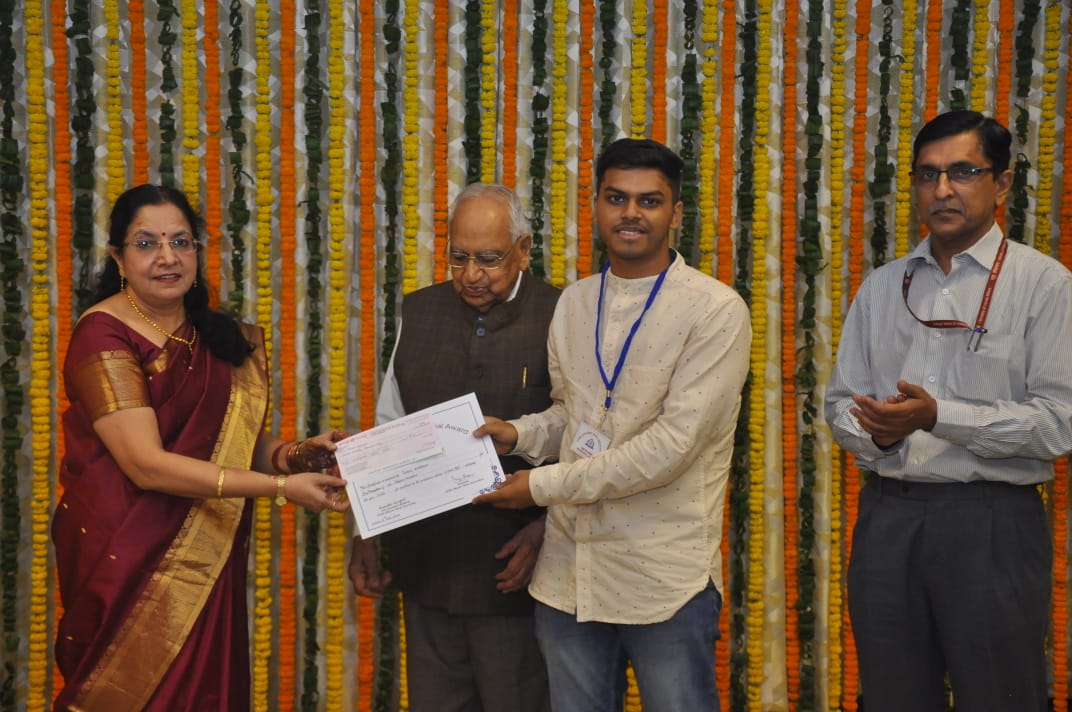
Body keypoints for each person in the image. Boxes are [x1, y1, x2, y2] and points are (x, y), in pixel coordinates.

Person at [472, 138, 751, 712]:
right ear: (596, 205)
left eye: (650, 201)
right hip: (568, 576)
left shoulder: (715, 310)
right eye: (616, 198)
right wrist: (517, 435)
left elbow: (670, 449)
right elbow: (572, 416)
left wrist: (538, 486)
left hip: (661, 578)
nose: (631, 213)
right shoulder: (575, 302)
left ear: (676, 213)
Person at [51, 184, 350, 712]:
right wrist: (281, 488)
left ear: (196, 250)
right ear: (118, 257)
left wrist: (296, 455)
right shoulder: (103, 335)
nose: (167, 257)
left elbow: (231, 441)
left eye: (180, 241)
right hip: (127, 557)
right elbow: (146, 465)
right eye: (147, 243)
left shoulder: (210, 334)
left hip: (205, 553)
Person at [825, 110, 1072, 711]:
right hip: (889, 517)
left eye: (962, 172)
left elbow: (1058, 423)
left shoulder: (1045, 285)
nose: (941, 190)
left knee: (1000, 695)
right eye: (927, 175)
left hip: (992, 522)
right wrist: (881, 433)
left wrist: (939, 417)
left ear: (1002, 183)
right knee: (892, 695)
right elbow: (839, 404)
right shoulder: (882, 287)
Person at [348, 183, 558, 712]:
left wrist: (549, 530)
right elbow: (390, 426)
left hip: (518, 570)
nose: (471, 275)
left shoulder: (561, 314)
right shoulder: (420, 310)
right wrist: (364, 529)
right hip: (429, 566)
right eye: (458, 257)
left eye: (488, 259)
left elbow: (586, 441)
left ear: (523, 250)